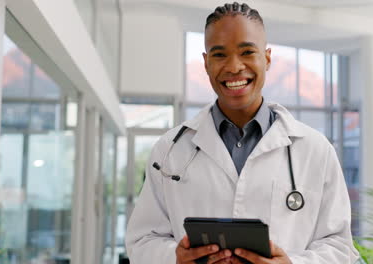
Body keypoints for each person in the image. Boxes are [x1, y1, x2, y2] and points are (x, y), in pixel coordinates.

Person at [126, 2, 359, 263]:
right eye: (219, 54)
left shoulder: (315, 149)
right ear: (205, 63)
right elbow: (142, 241)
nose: (234, 67)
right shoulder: (169, 149)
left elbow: (340, 246)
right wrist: (174, 258)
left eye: (247, 52)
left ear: (267, 58)